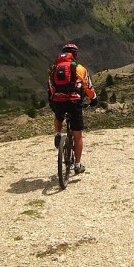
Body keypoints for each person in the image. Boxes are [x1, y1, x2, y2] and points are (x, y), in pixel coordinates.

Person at [48, 43, 97, 174]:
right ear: (75, 55)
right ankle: (77, 165)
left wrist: (54, 99)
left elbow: (51, 86)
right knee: (78, 135)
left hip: (58, 100)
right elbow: (88, 86)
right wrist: (93, 99)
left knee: (58, 116)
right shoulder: (79, 69)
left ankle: (57, 133)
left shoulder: (55, 68)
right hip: (74, 102)